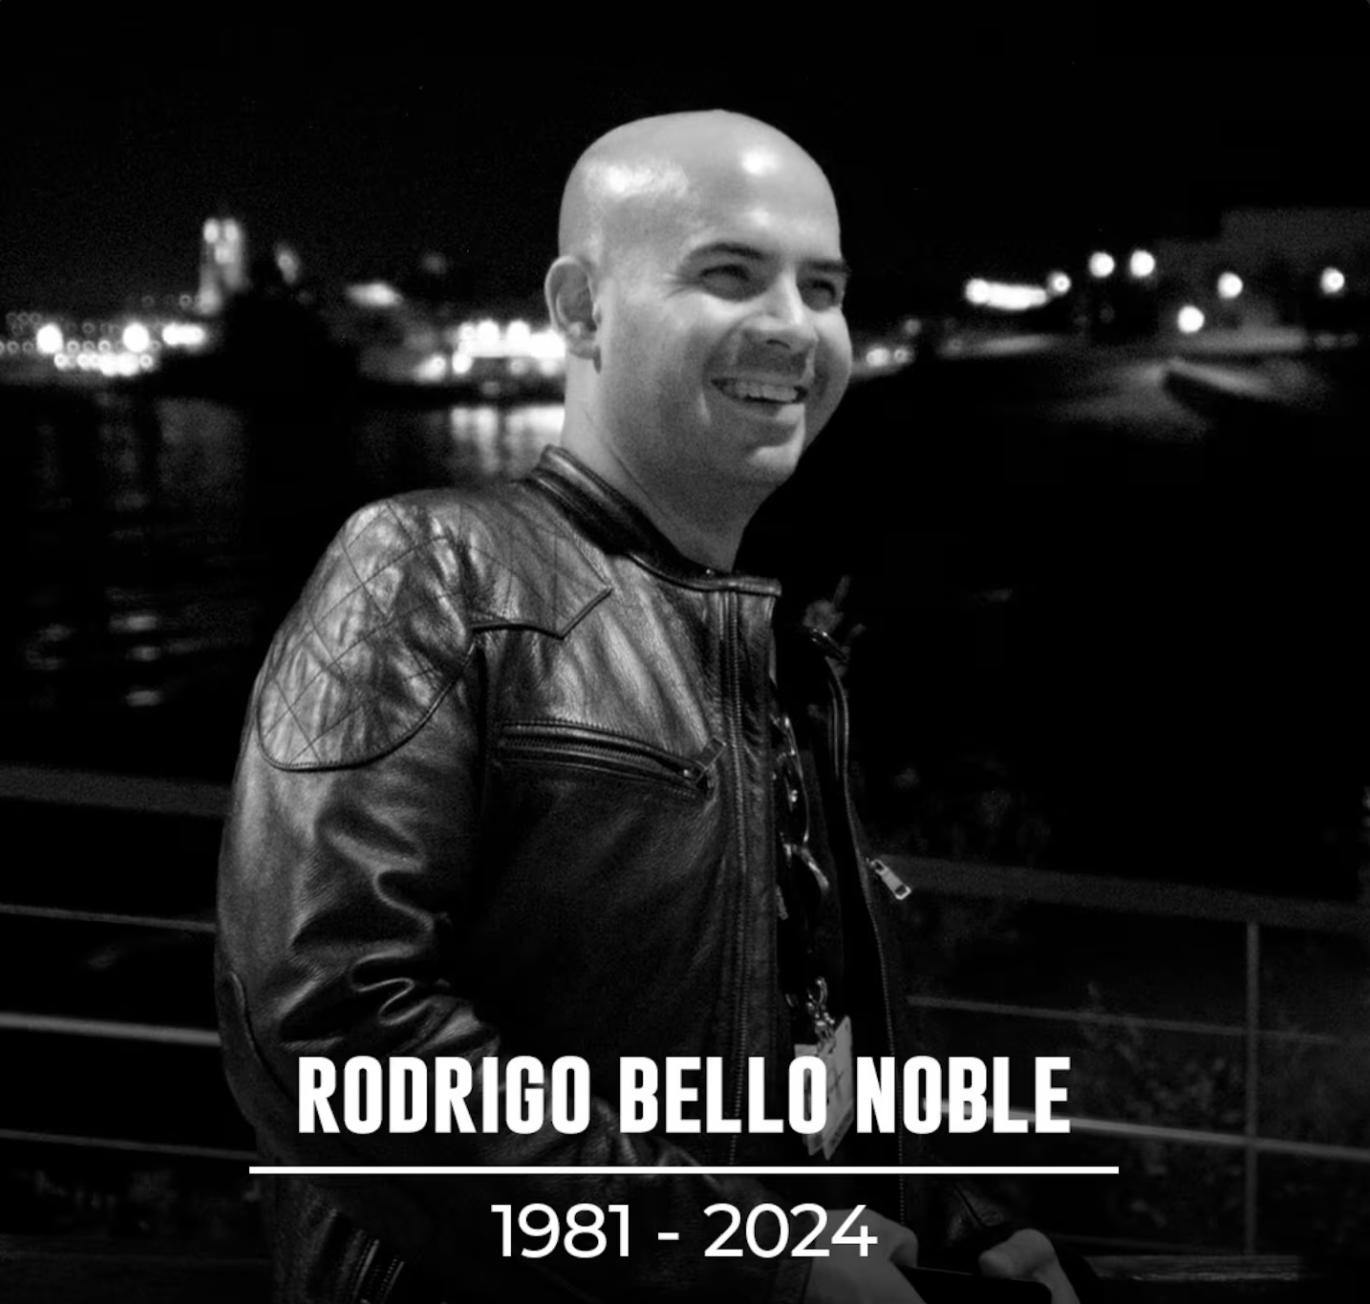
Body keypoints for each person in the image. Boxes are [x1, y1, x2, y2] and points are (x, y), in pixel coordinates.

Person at [216, 110, 1082, 1303]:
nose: (792, 325)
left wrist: (954, 1221)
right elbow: (329, 1032)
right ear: (579, 308)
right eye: (728, 274)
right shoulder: (429, 571)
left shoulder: (772, 655)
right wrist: (751, 1252)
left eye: (823, 288)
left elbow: (805, 1021)